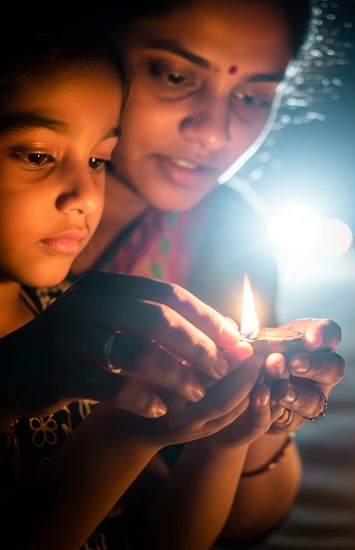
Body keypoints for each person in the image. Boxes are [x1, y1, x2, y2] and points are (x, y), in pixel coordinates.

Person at [26, 1, 346, 548]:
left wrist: (260, 420)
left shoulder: (227, 232)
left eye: (251, 97)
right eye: (175, 76)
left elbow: (233, 528)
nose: (215, 132)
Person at [0, 12, 268, 550]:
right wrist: (124, 436)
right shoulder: (65, 341)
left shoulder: (68, 317)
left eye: (99, 159)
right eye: (37, 156)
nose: (86, 196)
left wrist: (221, 438)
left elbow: (154, 535)